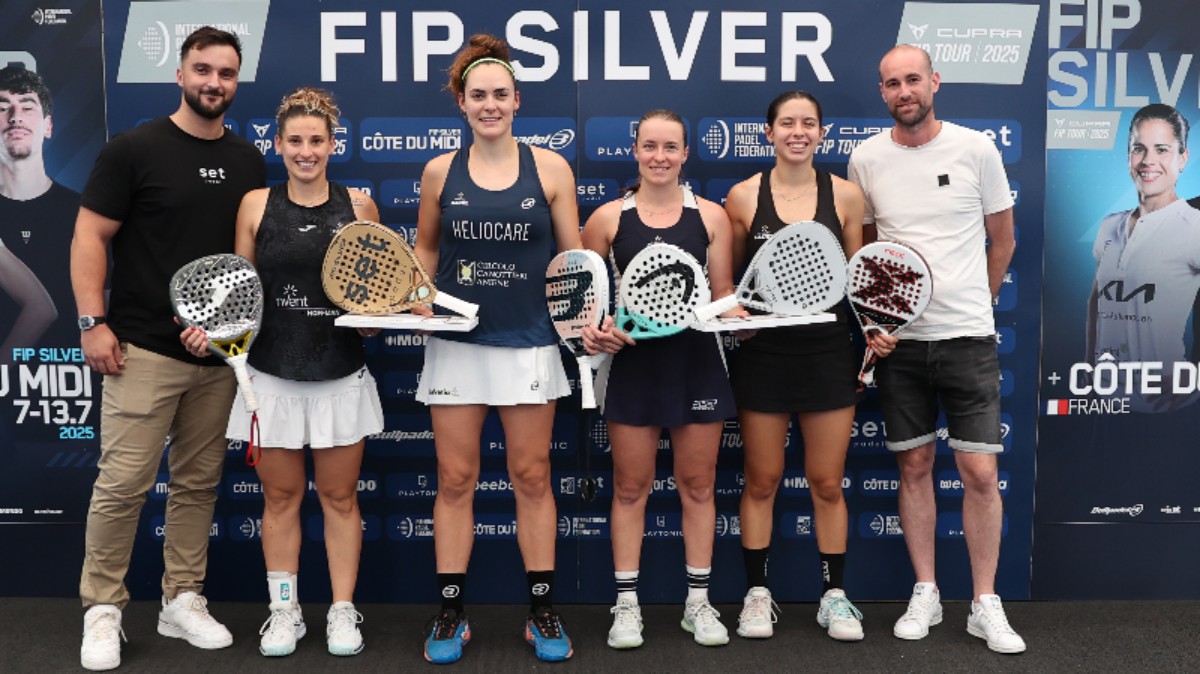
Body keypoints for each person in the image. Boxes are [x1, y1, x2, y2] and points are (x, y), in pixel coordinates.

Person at [70, 27, 265, 671]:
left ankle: (181, 599)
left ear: (236, 81)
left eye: (226, 73)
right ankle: (103, 610)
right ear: (180, 75)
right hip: (140, 352)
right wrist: (92, 322)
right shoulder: (134, 149)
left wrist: (225, 333)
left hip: (217, 359)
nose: (214, 82)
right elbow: (90, 236)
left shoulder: (248, 161)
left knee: (198, 485)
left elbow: (242, 265)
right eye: (203, 70)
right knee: (123, 485)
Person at [180, 87, 384, 658]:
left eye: (316, 140)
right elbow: (237, 296)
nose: (306, 151)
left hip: (339, 373)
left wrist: (374, 324)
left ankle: (341, 612)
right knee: (281, 499)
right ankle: (284, 611)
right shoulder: (254, 205)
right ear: (278, 144)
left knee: (340, 499)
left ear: (333, 144)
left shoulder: (361, 207)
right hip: (268, 376)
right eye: (295, 140)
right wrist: (209, 331)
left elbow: (373, 300)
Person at [846, 45, 1024, 654]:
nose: (904, 91)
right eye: (892, 83)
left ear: (934, 82)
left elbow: (1003, 240)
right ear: (883, 91)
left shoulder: (977, 149)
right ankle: (925, 590)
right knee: (914, 467)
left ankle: (984, 602)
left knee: (980, 472)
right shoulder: (866, 158)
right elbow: (869, 254)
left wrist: (978, 302)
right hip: (900, 346)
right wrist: (879, 319)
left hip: (968, 338)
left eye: (913, 80)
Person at [412, 34, 581, 664]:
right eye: (478, 95)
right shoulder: (439, 171)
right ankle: (451, 612)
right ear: (462, 102)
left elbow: (573, 260)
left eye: (500, 95)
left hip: (530, 343)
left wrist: (583, 318)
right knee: (456, 479)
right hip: (456, 345)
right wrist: (420, 295)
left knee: (531, 477)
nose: (489, 105)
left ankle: (542, 610)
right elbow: (427, 249)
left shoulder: (551, 169)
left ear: (517, 101)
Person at [581, 109, 738, 650]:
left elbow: (722, 295)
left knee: (698, 485)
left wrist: (744, 316)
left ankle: (699, 603)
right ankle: (627, 606)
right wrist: (596, 330)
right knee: (630, 488)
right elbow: (588, 304)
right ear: (636, 150)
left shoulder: (712, 217)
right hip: (633, 368)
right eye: (650, 146)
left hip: (697, 363)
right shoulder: (606, 219)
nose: (660, 156)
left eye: (670, 147)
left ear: (685, 153)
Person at [723, 91, 866, 641]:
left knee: (827, 482)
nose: (798, 132)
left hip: (828, 356)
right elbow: (731, 284)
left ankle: (835, 597)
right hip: (763, 358)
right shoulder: (743, 196)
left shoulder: (846, 196)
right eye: (787, 123)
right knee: (762, 480)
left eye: (809, 123)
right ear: (769, 132)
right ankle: (757, 595)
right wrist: (736, 316)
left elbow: (856, 283)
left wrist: (876, 330)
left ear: (822, 133)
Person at [1088, 103, 1200, 412]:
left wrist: (1197, 375)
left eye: (1162, 149)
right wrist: (1088, 371)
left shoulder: (1194, 226)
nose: (1148, 160)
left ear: (1183, 158)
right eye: (1139, 148)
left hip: (1166, 407)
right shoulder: (1109, 225)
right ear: (1128, 156)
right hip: (1106, 401)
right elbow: (1097, 300)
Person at [0, 66, 80, 355]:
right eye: (3, 107)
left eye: (27, 106)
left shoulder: (85, 214)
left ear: (48, 126)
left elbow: (108, 312)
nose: (15, 116)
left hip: (75, 375)